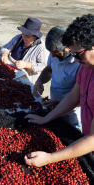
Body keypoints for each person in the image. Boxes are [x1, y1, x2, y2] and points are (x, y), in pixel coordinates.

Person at [24, 14, 94, 167]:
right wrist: (46, 118)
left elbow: (93, 139)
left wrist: (49, 158)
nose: (75, 60)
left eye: (78, 55)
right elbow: (74, 96)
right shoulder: (86, 68)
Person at [33, 25, 81, 129]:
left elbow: (79, 97)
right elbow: (49, 69)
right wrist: (39, 81)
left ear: (68, 48)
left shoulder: (79, 64)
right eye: (51, 53)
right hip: (54, 105)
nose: (53, 56)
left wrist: (59, 100)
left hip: (70, 112)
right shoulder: (54, 53)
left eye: (57, 53)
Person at [0, 17, 48, 83]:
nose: (24, 37)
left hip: (28, 79)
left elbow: (44, 66)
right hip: (12, 72)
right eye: (23, 33)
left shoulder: (41, 48)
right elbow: (6, 47)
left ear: (35, 36)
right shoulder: (18, 38)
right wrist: (4, 54)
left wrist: (27, 65)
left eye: (28, 36)